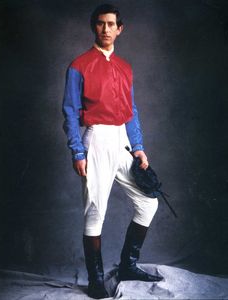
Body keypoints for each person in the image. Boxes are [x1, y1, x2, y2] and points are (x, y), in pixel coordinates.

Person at [62, 4, 163, 299]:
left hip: (123, 141)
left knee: (148, 203)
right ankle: (95, 279)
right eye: (100, 24)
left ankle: (128, 265)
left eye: (111, 24)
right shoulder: (79, 65)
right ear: (94, 27)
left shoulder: (125, 67)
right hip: (96, 140)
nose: (106, 29)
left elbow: (131, 110)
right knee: (96, 211)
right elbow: (69, 111)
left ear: (120, 29)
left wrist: (139, 148)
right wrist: (77, 151)